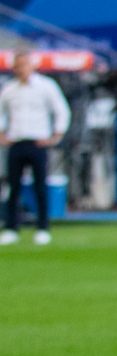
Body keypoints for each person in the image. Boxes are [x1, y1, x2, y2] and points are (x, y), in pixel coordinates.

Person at [0, 48, 72, 245]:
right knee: (13, 187)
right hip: (16, 141)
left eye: (24, 64)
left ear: (32, 65)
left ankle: (42, 227)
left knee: (40, 186)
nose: (20, 69)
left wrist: (56, 134)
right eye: (17, 65)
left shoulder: (45, 86)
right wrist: (2, 134)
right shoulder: (9, 89)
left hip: (38, 141)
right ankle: (11, 228)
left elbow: (61, 110)